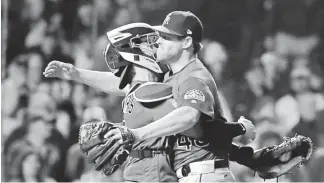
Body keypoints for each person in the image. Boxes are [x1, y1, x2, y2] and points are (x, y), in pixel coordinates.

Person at [43, 20, 255, 182]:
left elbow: (119, 84)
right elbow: (198, 131)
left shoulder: (136, 91)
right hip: (155, 176)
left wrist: (77, 74)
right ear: (136, 51)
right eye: (151, 42)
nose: (157, 46)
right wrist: (240, 131)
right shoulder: (151, 92)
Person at [104, 11, 256, 182]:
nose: (158, 41)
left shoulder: (194, 77)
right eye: (160, 35)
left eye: (167, 37)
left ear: (187, 42)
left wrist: (136, 133)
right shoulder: (171, 77)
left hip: (206, 175)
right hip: (193, 174)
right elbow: (121, 85)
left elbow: (190, 118)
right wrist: (75, 74)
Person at [44, 23, 177, 182]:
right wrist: (77, 74)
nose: (157, 46)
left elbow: (185, 128)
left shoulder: (152, 91)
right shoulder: (141, 89)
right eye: (151, 42)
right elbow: (117, 83)